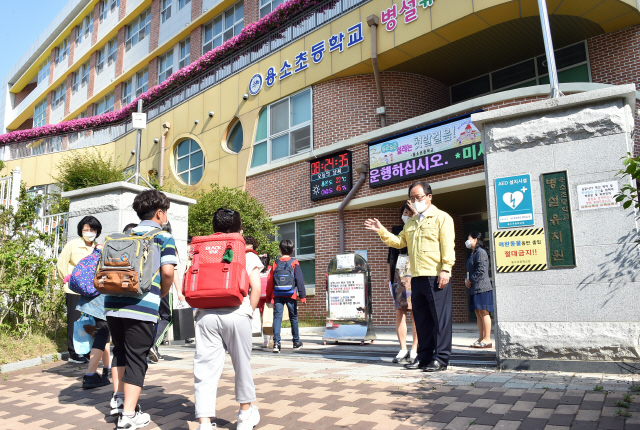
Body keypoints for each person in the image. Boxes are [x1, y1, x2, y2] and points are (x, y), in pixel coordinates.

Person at [105, 189, 178, 429]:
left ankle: (118, 400)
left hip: (113, 304)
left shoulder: (125, 234)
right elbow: (168, 272)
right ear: (160, 213)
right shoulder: (163, 237)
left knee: (120, 351)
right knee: (138, 358)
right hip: (142, 306)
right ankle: (128, 417)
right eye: (165, 212)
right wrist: (163, 292)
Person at [365, 181, 455, 372]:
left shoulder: (442, 218)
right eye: (412, 198)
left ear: (429, 197)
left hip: (436, 276)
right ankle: (423, 357)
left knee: (440, 320)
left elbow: (448, 246)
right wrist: (381, 230)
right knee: (421, 320)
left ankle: (441, 358)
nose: (415, 201)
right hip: (416, 277)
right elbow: (399, 243)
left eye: (419, 197)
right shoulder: (412, 222)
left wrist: (446, 269)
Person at [194, 208, 262, 430]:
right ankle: (244, 415)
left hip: (205, 315)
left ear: (213, 229)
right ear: (240, 231)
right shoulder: (247, 253)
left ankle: (204, 422)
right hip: (237, 312)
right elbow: (256, 289)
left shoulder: (201, 250)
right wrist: (249, 311)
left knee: (205, 368)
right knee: (242, 365)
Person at [72, 218, 112, 389]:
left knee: (104, 334)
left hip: (88, 298)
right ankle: (90, 375)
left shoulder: (96, 250)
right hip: (99, 299)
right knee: (102, 333)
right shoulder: (107, 252)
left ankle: (107, 369)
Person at [57, 216, 102, 364]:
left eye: (92, 230)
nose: (89, 232)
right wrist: (68, 279)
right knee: (74, 320)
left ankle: (88, 350)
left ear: (97, 231)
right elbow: (61, 264)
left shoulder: (99, 247)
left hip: (92, 291)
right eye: (86, 230)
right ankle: (73, 352)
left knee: (90, 320)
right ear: (80, 231)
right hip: (74, 290)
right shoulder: (73, 245)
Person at [149, 221, 186, 363]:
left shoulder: (147, 240)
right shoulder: (167, 242)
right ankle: (152, 345)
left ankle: (152, 349)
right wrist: (178, 291)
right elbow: (172, 271)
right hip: (162, 286)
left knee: (152, 318)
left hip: (146, 286)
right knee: (167, 317)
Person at [387, 202, 418, 364]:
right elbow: (390, 256)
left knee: (415, 311)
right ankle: (402, 348)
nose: (406, 215)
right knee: (400, 310)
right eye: (405, 212)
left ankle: (414, 348)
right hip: (399, 273)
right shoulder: (397, 231)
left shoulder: (419, 229)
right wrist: (389, 277)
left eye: (410, 212)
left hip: (416, 271)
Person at [266, 239, 306, 353]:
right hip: (291, 294)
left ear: (280, 250)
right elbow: (299, 279)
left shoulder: (275, 263)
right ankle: (296, 342)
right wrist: (302, 296)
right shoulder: (294, 262)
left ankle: (277, 343)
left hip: (277, 294)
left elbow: (270, 281)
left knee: (277, 318)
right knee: (293, 317)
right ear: (292, 250)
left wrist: (269, 297)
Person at [465, 231, 494, 348]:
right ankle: (481, 338)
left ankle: (487, 339)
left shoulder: (481, 252)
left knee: (484, 312)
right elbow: (470, 270)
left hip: (482, 287)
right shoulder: (472, 254)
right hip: (474, 287)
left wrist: (470, 280)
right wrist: (466, 280)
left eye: (469, 239)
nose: (467, 241)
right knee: (478, 313)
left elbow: (481, 270)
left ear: (475, 239)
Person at [258, 254, 271, 348]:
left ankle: (266, 340)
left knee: (264, 319)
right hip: (269, 297)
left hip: (259, 298)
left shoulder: (256, 270)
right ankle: (273, 339)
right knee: (271, 319)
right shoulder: (271, 270)